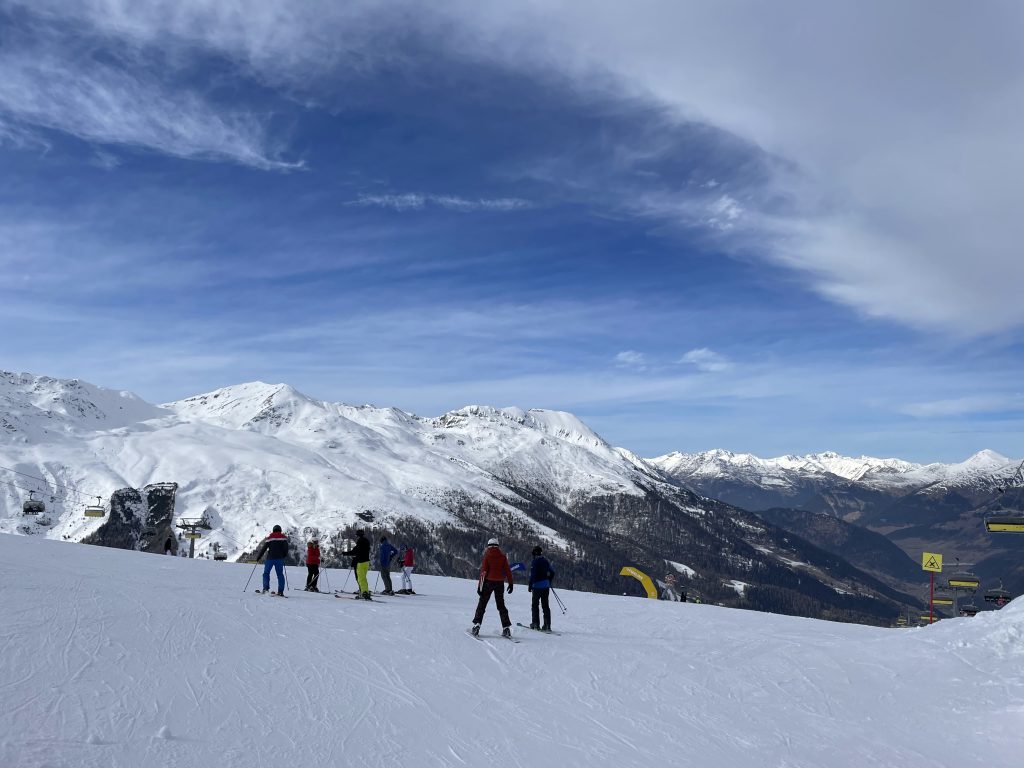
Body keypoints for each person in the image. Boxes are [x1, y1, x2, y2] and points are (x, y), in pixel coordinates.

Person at [471, 538, 514, 638]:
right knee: (501, 605)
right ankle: (506, 627)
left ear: (489, 546)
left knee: (482, 604)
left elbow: (483, 573)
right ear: (497, 546)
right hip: (500, 583)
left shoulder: (487, 556)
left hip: (488, 583)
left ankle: (477, 625)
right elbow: (508, 571)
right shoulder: (503, 557)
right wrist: (511, 584)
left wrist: (479, 587)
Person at [254, 525, 289, 595]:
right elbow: (286, 548)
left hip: (270, 559)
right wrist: (283, 555)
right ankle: (280, 591)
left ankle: (266, 589)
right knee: (280, 574)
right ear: (280, 530)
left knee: (266, 573)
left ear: (273, 530)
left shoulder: (270, 538)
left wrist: (259, 557)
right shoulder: (283, 538)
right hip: (279, 559)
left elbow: (264, 548)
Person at [528, 545, 556, 631]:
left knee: (535, 605)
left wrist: (530, 585)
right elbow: (552, 571)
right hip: (546, 586)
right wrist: (549, 581)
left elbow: (533, 575)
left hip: (537, 586)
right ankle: (547, 625)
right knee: (545, 605)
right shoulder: (546, 561)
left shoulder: (535, 562)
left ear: (534, 553)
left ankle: (535, 624)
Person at [343, 530, 372, 600]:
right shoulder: (366, 541)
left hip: (361, 562)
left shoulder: (360, 541)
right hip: (366, 562)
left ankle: (363, 593)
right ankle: (366, 592)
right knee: (364, 578)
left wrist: (345, 553)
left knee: (360, 578)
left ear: (358, 535)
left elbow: (355, 551)